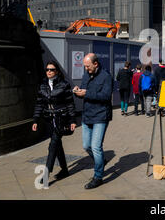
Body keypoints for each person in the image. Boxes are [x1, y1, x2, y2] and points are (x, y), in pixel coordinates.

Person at [73, 53, 113, 190]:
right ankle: (100, 160)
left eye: (88, 66)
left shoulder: (106, 76)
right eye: (85, 66)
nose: (86, 69)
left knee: (96, 146)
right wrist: (77, 92)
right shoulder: (86, 75)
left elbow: (106, 96)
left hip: (101, 116)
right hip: (87, 115)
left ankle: (98, 177)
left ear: (95, 64)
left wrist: (86, 93)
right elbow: (84, 94)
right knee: (86, 146)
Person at [32, 61, 76, 183]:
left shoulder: (64, 85)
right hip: (48, 119)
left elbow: (70, 103)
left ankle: (46, 174)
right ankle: (65, 170)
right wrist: (35, 119)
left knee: (52, 145)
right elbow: (39, 104)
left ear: (56, 71)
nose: (49, 72)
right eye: (47, 69)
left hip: (60, 118)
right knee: (57, 145)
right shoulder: (42, 85)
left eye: (51, 69)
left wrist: (72, 120)